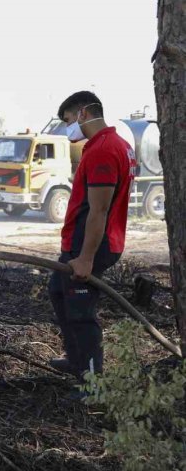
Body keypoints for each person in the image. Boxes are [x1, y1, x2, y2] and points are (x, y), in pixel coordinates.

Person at [48, 91, 136, 382]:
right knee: (57, 291)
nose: (68, 128)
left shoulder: (103, 150)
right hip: (83, 241)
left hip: (91, 244)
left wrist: (86, 258)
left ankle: (92, 381)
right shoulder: (112, 145)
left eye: (68, 120)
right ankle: (77, 361)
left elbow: (99, 209)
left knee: (80, 313)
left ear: (83, 113)